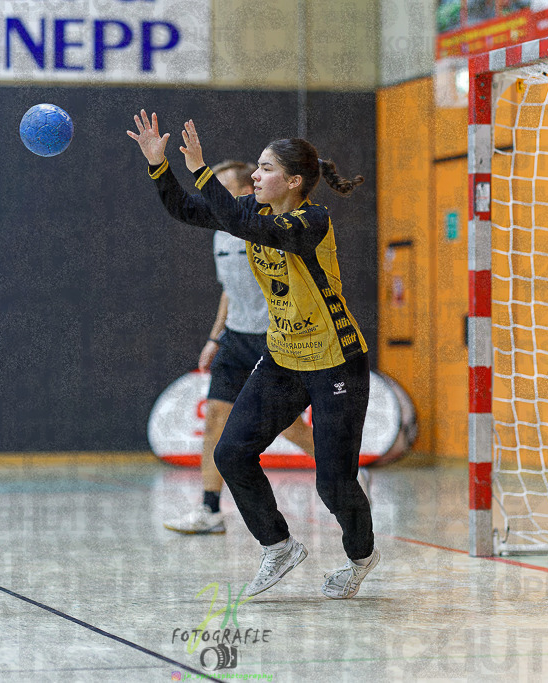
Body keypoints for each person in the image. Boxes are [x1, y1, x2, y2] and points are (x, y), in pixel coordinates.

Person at [128, 111, 378, 599]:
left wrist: (202, 170)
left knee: (333, 482)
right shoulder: (253, 213)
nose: (256, 176)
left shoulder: (312, 220)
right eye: (257, 169)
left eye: (265, 169)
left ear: (294, 181)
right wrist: (159, 165)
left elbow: (243, 222)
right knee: (231, 451)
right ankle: (278, 544)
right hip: (284, 357)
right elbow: (186, 209)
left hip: (335, 361)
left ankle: (360, 556)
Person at [164, 160, 316, 535]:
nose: (209, 195)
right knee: (216, 417)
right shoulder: (219, 232)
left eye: (219, 187)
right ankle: (210, 509)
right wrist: (215, 337)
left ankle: (344, 473)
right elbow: (229, 292)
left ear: (245, 193)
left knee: (289, 427)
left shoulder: (267, 230)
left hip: (274, 338)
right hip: (235, 338)